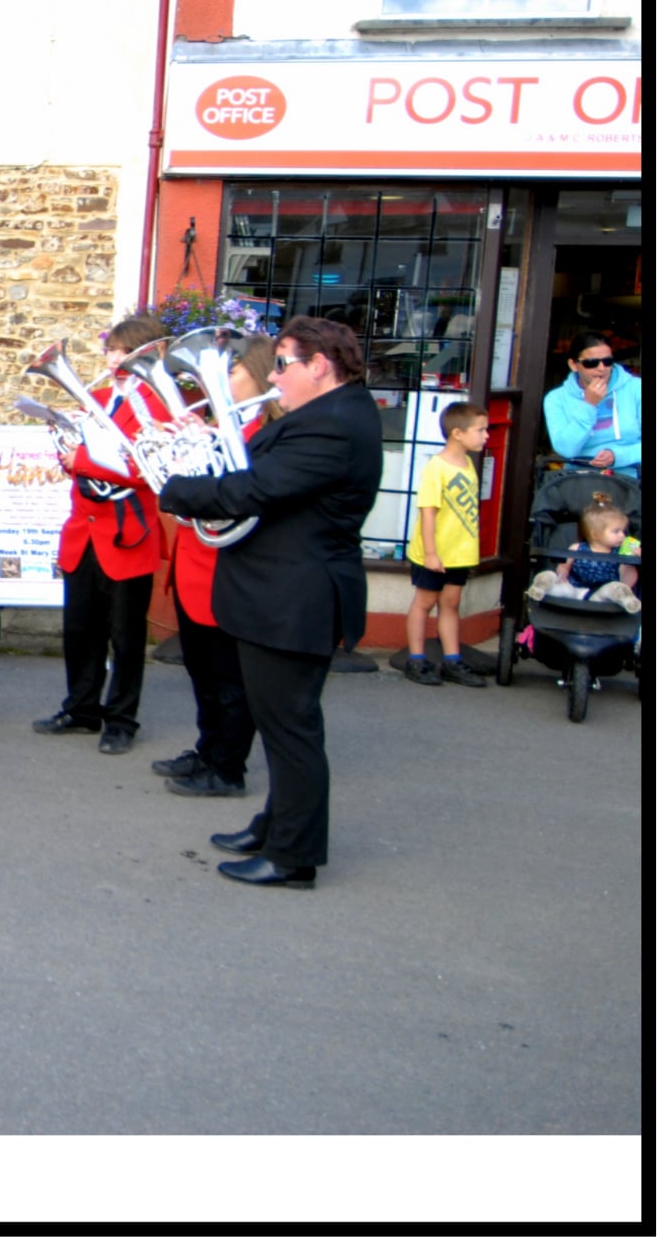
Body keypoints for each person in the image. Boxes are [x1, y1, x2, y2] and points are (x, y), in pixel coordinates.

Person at [158, 317, 384, 889]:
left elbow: (257, 489)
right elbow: (253, 469)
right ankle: (275, 825)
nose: (275, 375)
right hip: (279, 593)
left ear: (320, 366)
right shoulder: (326, 415)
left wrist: (177, 486)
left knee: (291, 731)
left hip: (294, 598)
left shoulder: (333, 424)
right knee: (280, 721)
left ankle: (293, 856)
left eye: (284, 364)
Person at [32, 315, 171, 755]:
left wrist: (84, 459)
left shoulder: (158, 405)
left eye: (122, 352)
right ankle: (82, 707)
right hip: (84, 532)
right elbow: (80, 461)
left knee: (126, 637)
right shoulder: (97, 398)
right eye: (110, 351)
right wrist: (66, 449)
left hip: (127, 532)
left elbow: (145, 470)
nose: (112, 360)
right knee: (80, 628)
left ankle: (122, 718)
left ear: (147, 354)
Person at [154, 333, 278, 797]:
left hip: (226, 567)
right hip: (193, 560)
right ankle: (208, 749)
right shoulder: (215, 423)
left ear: (258, 375)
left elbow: (241, 493)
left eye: (232, 371)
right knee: (201, 669)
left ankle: (228, 767)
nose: (223, 381)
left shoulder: (262, 434)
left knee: (230, 677)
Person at [404, 401, 492, 687]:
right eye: (480, 430)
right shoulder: (436, 467)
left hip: (459, 552)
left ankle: (452, 660)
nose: (486, 435)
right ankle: (416, 659)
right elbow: (427, 511)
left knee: (451, 604)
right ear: (457, 433)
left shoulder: (468, 464)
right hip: (435, 553)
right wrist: (430, 553)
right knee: (425, 602)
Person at [542, 332, 641, 480]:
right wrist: (589, 405)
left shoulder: (635, 388)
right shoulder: (556, 398)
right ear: (573, 365)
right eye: (591, 363)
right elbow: (566, 449)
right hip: (579, 479)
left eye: (608, 361)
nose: (601, 368)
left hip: (631, 476)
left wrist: (617, 456)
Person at [526, 501, 643, 612]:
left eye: (623, 531)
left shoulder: (619, 554)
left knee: (614, 589)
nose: (622, 535)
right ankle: (542, 585)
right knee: (561, 589)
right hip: (574, 588)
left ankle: (627, 599)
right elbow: (564, 566)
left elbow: (627, 581)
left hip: (599, 595)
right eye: (616, 531)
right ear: (595, 534)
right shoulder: (577, 548)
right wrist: (562, 574)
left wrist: (629, 561)